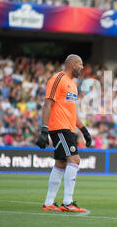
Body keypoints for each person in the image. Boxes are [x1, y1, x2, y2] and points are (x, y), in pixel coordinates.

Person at [36, 54, 93, 212]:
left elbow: (72, 112)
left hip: (68, 128)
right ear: (73, 65)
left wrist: (84, 130)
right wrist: (44, 130)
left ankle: (48, 203)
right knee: (74, 159)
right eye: (80, 64)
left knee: (61, 163)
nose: (82, 68)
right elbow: (47, 104)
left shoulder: (73, 85)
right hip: (59, 127)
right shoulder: (58, 79)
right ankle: (68, 202)